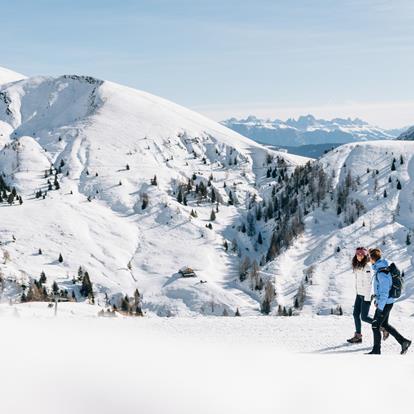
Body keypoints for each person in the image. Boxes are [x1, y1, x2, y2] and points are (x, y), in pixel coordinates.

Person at [366, 248, 411, 355]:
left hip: (385, 303)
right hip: (385, 302)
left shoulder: (382, 272)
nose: (368, 259)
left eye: (369, 257)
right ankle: (404, 341)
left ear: (373, 259)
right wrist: (378, 299)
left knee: (375, 325)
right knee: (384, 325)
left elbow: (385, 292)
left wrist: (380, 307)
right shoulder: (380, 268)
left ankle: (376, 350)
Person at [347, 247, 373, 343]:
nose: (359, 256)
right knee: (355, 314)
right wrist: (358, 294)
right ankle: (358, 336)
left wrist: (367, 298)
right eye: (358, 254)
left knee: (364, 317)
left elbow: (369, 284)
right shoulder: (358, 266)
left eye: (361, 254)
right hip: (359, 294)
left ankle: (381, 326)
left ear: (365, 255)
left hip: (366, 296)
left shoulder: (367, 267)